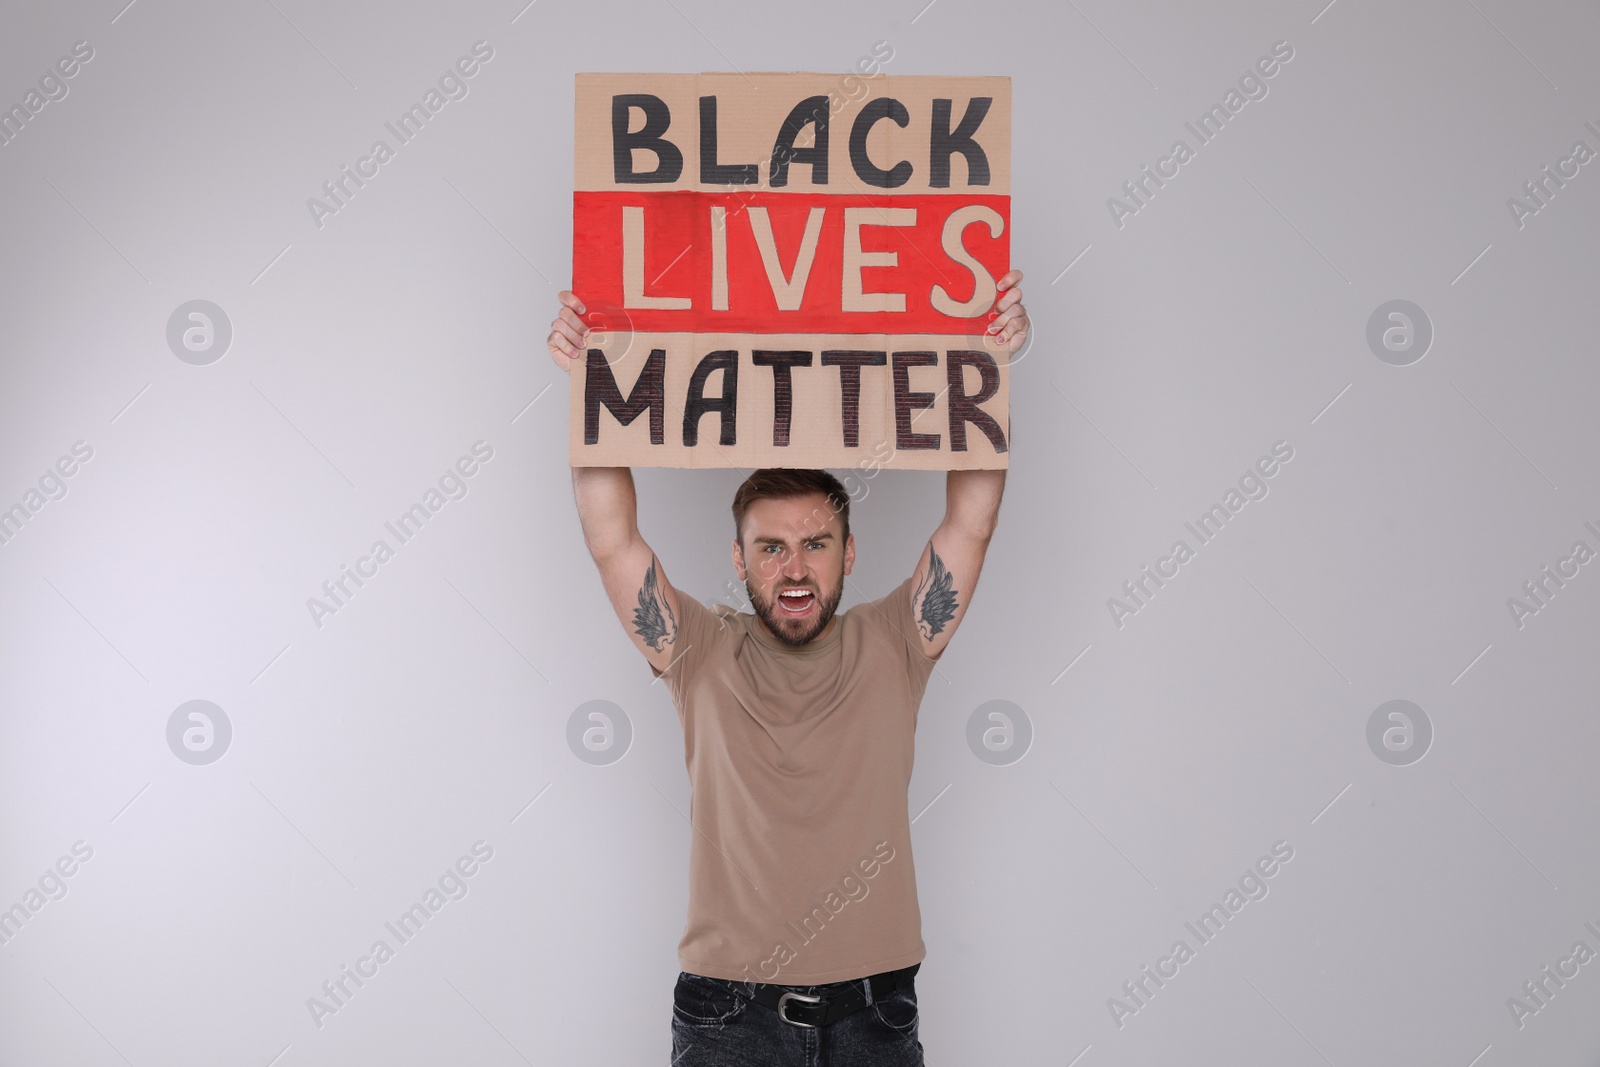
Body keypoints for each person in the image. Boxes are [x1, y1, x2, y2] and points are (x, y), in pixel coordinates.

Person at [546, 271, 1029, 1065]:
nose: (794, 567)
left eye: (816, 543)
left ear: (850, 554)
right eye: (771, 547)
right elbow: (611, 537)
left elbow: (971, 522)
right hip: (728, 1018)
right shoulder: (696, 649)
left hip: (875, 1014)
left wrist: (990, 363)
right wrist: (589, 382)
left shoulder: (898, 638)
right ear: (738, 559)